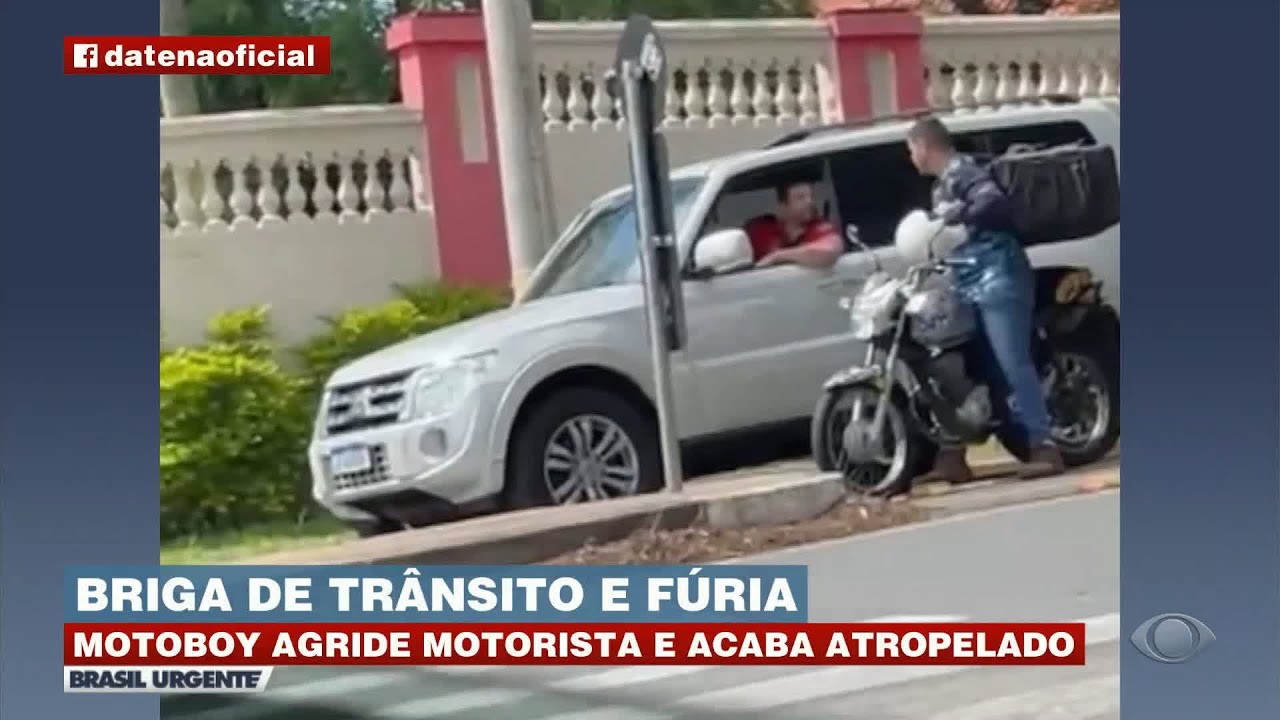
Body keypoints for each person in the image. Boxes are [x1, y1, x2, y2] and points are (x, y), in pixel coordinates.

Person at [905, 115, 1064, 481]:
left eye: (911, 149)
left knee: (1012, 362)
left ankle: (1044, 445)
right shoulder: (940, 187)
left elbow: (991, 201)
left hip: (998, 276)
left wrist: (960, 214)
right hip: (965, 280)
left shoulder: (962, 172)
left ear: (924, 146)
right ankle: (953, 454)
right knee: (961, 366)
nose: (911, 157)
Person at [743, 181, 843, 269]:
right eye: (801, 198)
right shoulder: (761, 229)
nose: (809, 202)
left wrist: (777, 256)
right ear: (783, 206)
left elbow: (829, 252)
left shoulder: (821, 227)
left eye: (811, 196)